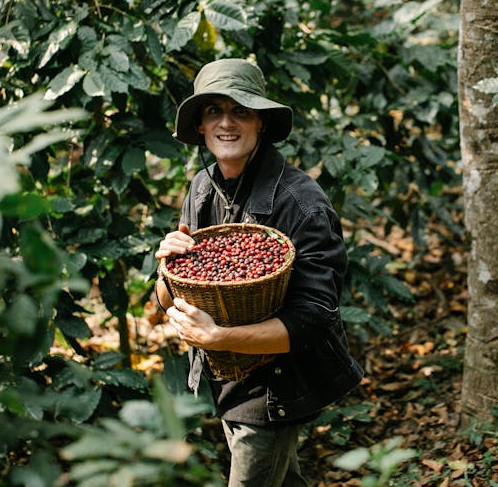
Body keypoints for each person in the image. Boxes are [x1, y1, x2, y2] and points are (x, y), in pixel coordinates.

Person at [154, 58, 363, 487]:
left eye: (240, 111)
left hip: (274, 390)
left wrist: (219, 338)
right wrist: (167, 268)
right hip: (225, 379)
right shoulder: (201, 186)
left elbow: (313, 319)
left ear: (261, 124)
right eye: (214, 111)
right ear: (199, 125)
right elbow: (163, 302)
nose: (226, 123)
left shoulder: (301, 203)